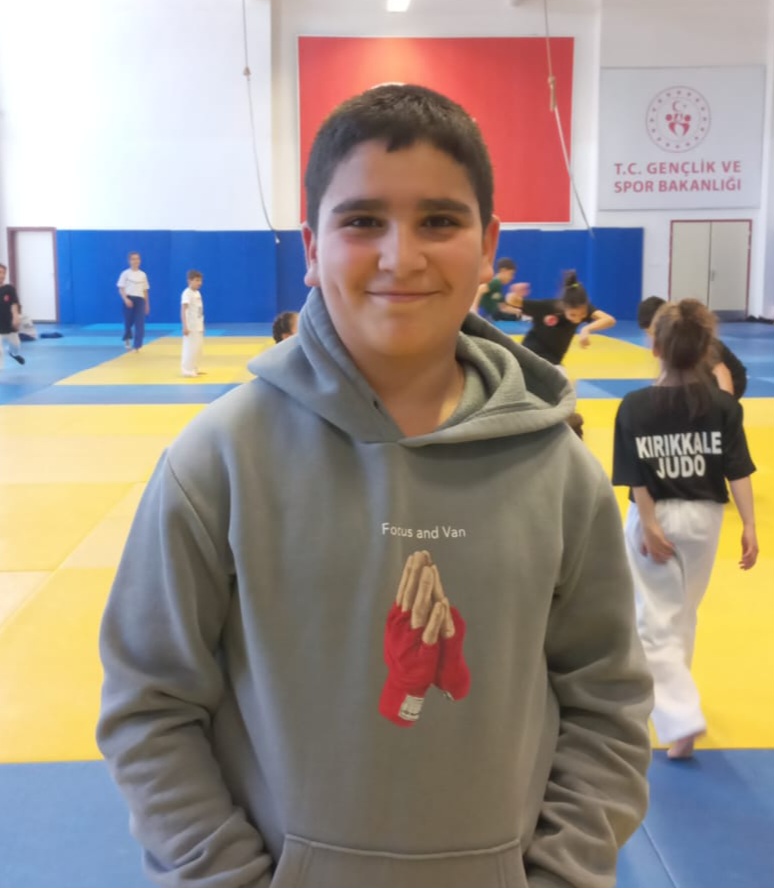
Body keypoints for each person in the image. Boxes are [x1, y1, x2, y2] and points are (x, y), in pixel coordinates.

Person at [97, 83, 652, 888]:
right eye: (361, 221)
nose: (401, 256)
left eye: (440, 221)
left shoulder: (559, 473)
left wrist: (562, 873)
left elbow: (608, 703)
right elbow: (148, 706)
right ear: (312, 246)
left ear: (489, 244)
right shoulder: (218, 461)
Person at [612, 298, 757, 760]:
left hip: (656, 515)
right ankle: (678, 711)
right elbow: (738, 470)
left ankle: (681, 716)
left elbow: (634, 476)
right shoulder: (723, 406)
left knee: (651, 622)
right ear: (706, 351)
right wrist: (749, 524)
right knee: (681, 614)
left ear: (654, 347)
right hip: (705, 521)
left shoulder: (635, 406)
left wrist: (649, 523)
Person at [638, 295, 748, 399]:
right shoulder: (673, 337)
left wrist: (728, 406)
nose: (650, 338)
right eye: (648, 333)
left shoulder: (698, 340)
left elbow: (722, 372)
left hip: (733, 379)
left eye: (651, 333)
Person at [506, 270, 616, 367]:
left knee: (564, 381)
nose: (578, 319)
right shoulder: (547, 307)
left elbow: (609, 320)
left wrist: (586, 329)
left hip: (553, 361)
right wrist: (515, 294)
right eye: (573, 315)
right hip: (529, 357)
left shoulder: (584, 309)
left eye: (582, 315)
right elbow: (512, 301)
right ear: (564, 306)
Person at [117, 252, 150, 351]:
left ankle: (137, 345)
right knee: (128, 322)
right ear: (129, 261)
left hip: (140, 300)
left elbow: (145, 290)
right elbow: (121, 288)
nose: (136, 261)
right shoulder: (125, 274)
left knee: (140, 323)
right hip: (129, 299)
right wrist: (125, 299)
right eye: (133, 259)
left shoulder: (143, 275)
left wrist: (147, 304)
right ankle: (127, 338)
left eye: (137, 259)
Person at [471, 256, 522, 321]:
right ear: (503, 270)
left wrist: (518, 311)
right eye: (511, 274)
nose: (512, 277)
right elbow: (480, 289)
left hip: (490, 315)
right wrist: (474, 309)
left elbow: (503, 307)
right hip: (485, 315)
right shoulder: (495, 282)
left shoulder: (499, 286)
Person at [0, 263, 26, 367]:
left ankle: (13, 353)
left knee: (16, 345)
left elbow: (15, 303)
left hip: (9, 324)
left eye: (3, 273)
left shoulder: (9, 289)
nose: (2, 275)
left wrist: (16, 316)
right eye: (0, 272)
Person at [181, 270, 205, 378]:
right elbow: (184, 310)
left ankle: (194, 367)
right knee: (189, 347)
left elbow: (199, 310)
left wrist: (202, 325)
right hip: (190, 326)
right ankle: (186, 369)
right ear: (189, 281)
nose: (199, 283)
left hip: (198, 324)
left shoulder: (197, 293)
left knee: (197, 348)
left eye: (200, 280)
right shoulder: (187, 293)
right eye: (196, 280)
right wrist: (185, 326)